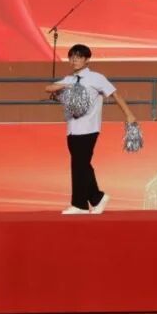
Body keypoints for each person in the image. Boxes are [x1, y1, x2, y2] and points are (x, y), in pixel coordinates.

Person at [44, 44, 137, 215]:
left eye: (79, 57)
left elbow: (115, 94)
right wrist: (66, 87)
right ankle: (96, 198)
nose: (74, 60)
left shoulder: (96, 78)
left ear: (87, 60)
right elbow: (48, 88)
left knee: (80, 164)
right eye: (72, 57)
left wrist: (129, 114)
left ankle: (80, 204)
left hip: (89, 128)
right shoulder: (69, 79)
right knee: (81, 165)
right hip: (72, 128)